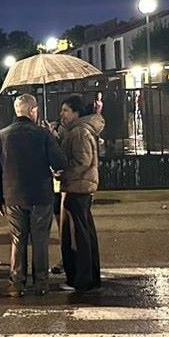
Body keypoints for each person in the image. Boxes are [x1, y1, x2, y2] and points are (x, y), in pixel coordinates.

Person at [0, 94, 67, 297]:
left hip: (13, 195)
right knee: (40, 240)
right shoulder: (42, 134)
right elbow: (59, 163)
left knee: (18, 239)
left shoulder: (1, 136)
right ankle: (41, 282)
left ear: (17, 110)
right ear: (33, 110)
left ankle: (17, 282)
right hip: (40, 194)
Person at [57, 95, 104, 292]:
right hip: (81, 187)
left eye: (66, 110)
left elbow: (82, 161)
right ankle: (89, 277)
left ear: (76, 112)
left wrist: (63, 173)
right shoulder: (80, 130)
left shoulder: (78, 132)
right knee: (84, 235)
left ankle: (81, 279)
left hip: (77, 187)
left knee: (77, 237)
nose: (62, 115)